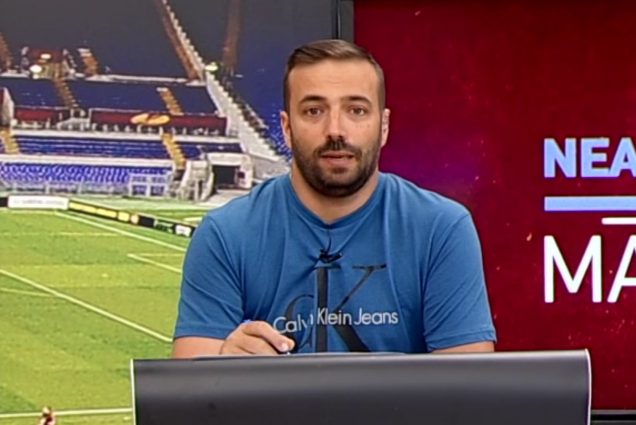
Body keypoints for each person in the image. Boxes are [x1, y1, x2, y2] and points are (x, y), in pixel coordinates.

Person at [172, 39, 495, 357]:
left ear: (383, 126)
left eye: (356, 110)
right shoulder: (225, 234)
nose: (336, 130)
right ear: (287, 128)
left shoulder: (441, 228)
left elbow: (467, 382)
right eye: (314, 111)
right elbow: (190, 379)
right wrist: (225, 363)